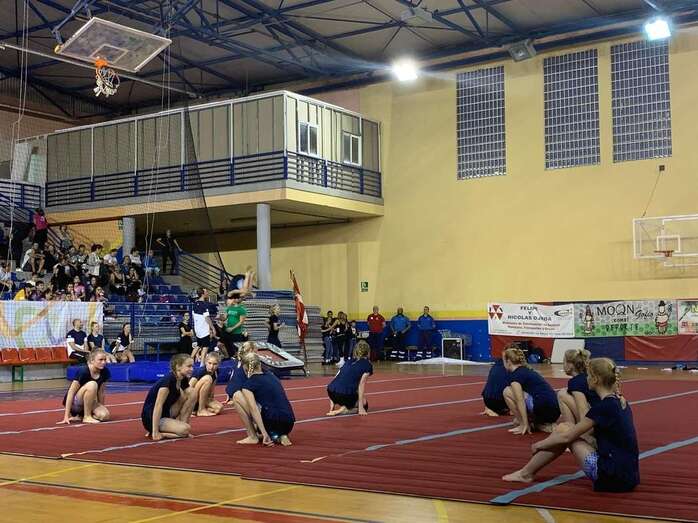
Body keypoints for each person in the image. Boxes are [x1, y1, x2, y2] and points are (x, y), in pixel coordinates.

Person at [503, 358, 640, 493]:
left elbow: (567, 437)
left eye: (588, 375)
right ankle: (526, 473)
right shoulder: (620, 401)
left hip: (611, 477)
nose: (586, 379)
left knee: (565, 431)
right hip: (629, 476)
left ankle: (525, 473)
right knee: (566, 427)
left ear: (595, 379)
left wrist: (539, 445)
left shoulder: (603, 407)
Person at [235, 352, 295, 446]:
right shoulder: (272, 376)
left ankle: (253, 436)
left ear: (245, 368)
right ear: (260, 364)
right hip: (289, 423)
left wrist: (264, 434)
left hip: (272, 422)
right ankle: (280, 435)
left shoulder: (248, 385)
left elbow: (254, 409)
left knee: (236, 396)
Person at [502, 345, 560, 434]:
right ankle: (541, 423)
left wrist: (524, 424)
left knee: (507, 391)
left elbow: (520, 400)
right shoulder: (527, 370)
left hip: (544, 409)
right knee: (515, 420)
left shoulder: (515, 376)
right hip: (554, 410)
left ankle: (527, 424)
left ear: (508, 361)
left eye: (504, 361)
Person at [141, 353, 196, 440]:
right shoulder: (167, 382)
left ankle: (181, 425)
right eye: (189, 366)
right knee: (185, 429)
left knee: (192, 393)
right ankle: (161, 433)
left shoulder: (182, 379)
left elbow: (190, 396)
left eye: (192, 366)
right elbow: (158, 406)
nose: (192, 369)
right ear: (178, 367)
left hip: (166, 413)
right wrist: (155, 431)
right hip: (151, 418)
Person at [57, 350, 111, 425]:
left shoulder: (105, 371)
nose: (103, 362)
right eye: (100, 360)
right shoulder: (84, 371)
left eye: (105, 359)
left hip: (88, 401)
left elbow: (101, 393)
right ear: (92, 360)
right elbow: (71, 392)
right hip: (75, 403)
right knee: (92, 384)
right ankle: (86, 416)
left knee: (104, 416)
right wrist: (66, 416)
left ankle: (81, 416)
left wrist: (101, 407)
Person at [326, 340, 373, 416]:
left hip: (331, 391)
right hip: (344, 396)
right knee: (365, 404)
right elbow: (361, 385)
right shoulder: (367, 365)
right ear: (368, 352)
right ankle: (343, 410)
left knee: (342, 386)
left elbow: (336, 377)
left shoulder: (349, 361)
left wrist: (332, 398)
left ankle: (333, 402)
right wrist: (361, 407)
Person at [559, 348, 600, 424]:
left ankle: (570, 425)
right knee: (565, 391)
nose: (563, 365)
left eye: (564, 362)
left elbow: (583, 411)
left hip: (595, 422)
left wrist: (582, 428)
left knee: (561, 394)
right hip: (602, 416)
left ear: (570, 365)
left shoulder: (575, 382)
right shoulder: (587, 376)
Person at [190, 352, 224, 417]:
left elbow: (211, 392)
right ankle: (201, 410)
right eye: (209, 363)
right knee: (208, 378)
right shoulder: (200, 371)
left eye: (215, 364)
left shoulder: (216, 372)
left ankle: (197, 409)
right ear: (206, 362)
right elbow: (189, 388)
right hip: (192, 399)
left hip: (202, 399)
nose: (212, 366)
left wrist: (211, 401)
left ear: (219, 364)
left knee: (219, 408)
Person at [192, 288, 217, 364]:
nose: (207, 293)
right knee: (205, 347)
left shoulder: (195, 304)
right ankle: (202, 364)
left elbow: (193, 316)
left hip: (197, 328)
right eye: (206, 292)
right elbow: (207, 318)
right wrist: (213, 328)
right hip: (203, 329)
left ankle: (190, 359)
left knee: (199, 345)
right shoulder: (204, 304)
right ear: (202, 294)